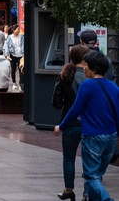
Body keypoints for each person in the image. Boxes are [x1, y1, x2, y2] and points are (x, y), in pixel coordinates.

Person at [55, 50, 119, 201]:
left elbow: (74, 110)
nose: (83, 68)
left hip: (93, 137)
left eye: (86, 65)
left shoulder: (87, 85)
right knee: (98, 176)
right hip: (110, 138)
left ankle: (107, 199)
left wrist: (61, 126)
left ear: (94, 68)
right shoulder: (114, 87)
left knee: (91, 177)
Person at [52, 45, 90, 201]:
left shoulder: (65, 75)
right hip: (89, 123)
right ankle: (87, 193)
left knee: (68, 158)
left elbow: (56, 102)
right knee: (89, 160)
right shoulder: (90, 77)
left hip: (69, 123)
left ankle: (68, 189)